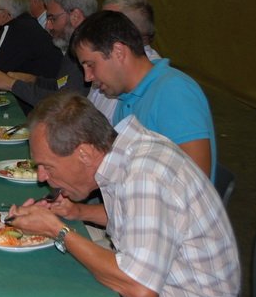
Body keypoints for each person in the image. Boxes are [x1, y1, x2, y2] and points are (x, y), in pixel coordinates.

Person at [6, 92, 240, 297]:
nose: (41, 177)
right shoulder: (124, 153)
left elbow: (140, 290)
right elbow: (137, 220)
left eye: (47, 166)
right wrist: (77, 211)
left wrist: (57, 230)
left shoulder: (145, 177)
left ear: (84, 153)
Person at [71, 10, 216, 179]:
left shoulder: (173, 92)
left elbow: (195, 181)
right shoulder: (125, 99)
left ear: (118, 52)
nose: (87, 77)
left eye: (90, 65)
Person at [0, 0, 96, 110]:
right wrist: (33, 80)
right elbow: (61, 85)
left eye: (53, 18)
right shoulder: (74, 46)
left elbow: (65, 104)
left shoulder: (90, 51)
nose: (48, 26)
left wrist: (13, 85)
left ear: (75, 16)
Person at [88, 0, 162, 121]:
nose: (95, 32)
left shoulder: (149, 78)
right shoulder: (106, 62)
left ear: (130, 32)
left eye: (104, 25)